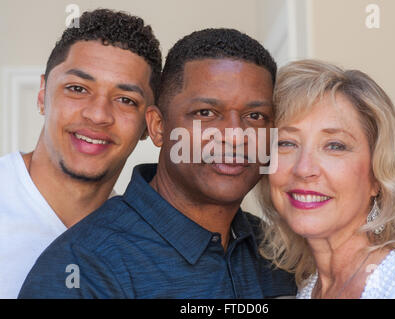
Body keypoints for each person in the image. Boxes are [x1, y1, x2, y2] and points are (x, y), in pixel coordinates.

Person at [18, 28, 297, 298]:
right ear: (158, 126)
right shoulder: (82, 266)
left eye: (256, 116)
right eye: (206, 113)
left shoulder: (280, 250)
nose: (235, 137)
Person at [0, 9, 162, 298]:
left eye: (126, 100)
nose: (98, 115)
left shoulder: (142, 247)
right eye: (77, 88)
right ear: (42, 95)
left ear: (148, 125)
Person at [257, 59, 395, 299]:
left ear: (378, 175)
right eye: (286, 143)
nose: (304, 169)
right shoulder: (307, 289)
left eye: (335, 146)